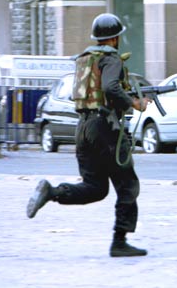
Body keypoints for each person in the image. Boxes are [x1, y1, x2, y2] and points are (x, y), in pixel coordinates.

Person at [26, 13, 150, 257]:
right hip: (105, 128)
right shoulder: (111, 59)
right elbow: (110, 87)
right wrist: (135, 103)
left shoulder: (85, 59)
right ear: (114, 39)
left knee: (95, 188)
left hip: (82, 128)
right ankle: (119, 242)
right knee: (128, 185)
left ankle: (52, 192)